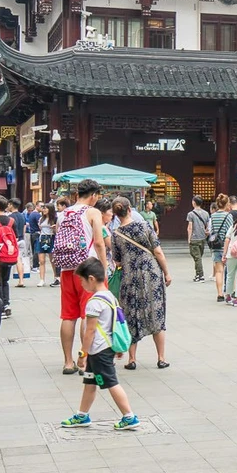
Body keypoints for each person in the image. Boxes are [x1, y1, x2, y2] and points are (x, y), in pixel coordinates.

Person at [62, 258, 140, 431]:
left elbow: (89, 331)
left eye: (81, 280)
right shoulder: (110, 296)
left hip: (98, 350)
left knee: (111, 382)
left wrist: (83, 354)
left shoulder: (94, 303)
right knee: (90, 381)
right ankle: (82, 415)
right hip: (106, 347)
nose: (81, 284)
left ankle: (129, 416)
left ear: (90, 279)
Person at [50, 180, 107, 376]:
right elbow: (99, 243)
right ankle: (85, 359)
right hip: (88, 269)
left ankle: (68, 362)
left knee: (68, 316)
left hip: (67, 269)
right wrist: (104, 266)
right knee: (87, 314)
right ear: (93, 195)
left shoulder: (64, 213)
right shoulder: (93, 212)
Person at [109, 196, 171, 370]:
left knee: (131, 315)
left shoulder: (116, 234)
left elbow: (117, 261)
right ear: (130, 210)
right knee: (156, 313)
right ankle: (161, 358)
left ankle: (132, 359)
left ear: (115, 214)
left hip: (129, 277)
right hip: (151, 274)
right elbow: (158, 252)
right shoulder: (145, 226)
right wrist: (167, 272)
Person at [186, 197, 213, 283]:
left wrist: (189, 238)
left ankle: (200, 275)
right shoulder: (206, 213)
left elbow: (190, 227)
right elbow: (208, 226)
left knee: (197, 258)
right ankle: (197, 274)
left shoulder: (191, 214)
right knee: (199, 257)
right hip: (202, 237)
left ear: (194, 203)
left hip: (194, 237)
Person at [35, 202, 56, 286]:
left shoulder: (54, 219)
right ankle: (42, 279)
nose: (44, 210)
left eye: (45, 208)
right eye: (43, 208)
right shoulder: (41, 219)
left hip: (51, 238)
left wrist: (54, 228)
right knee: (41, 261)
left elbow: (57, 231)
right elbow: (40, 228)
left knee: (52, 260)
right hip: (42, 238)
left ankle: (56, 277)